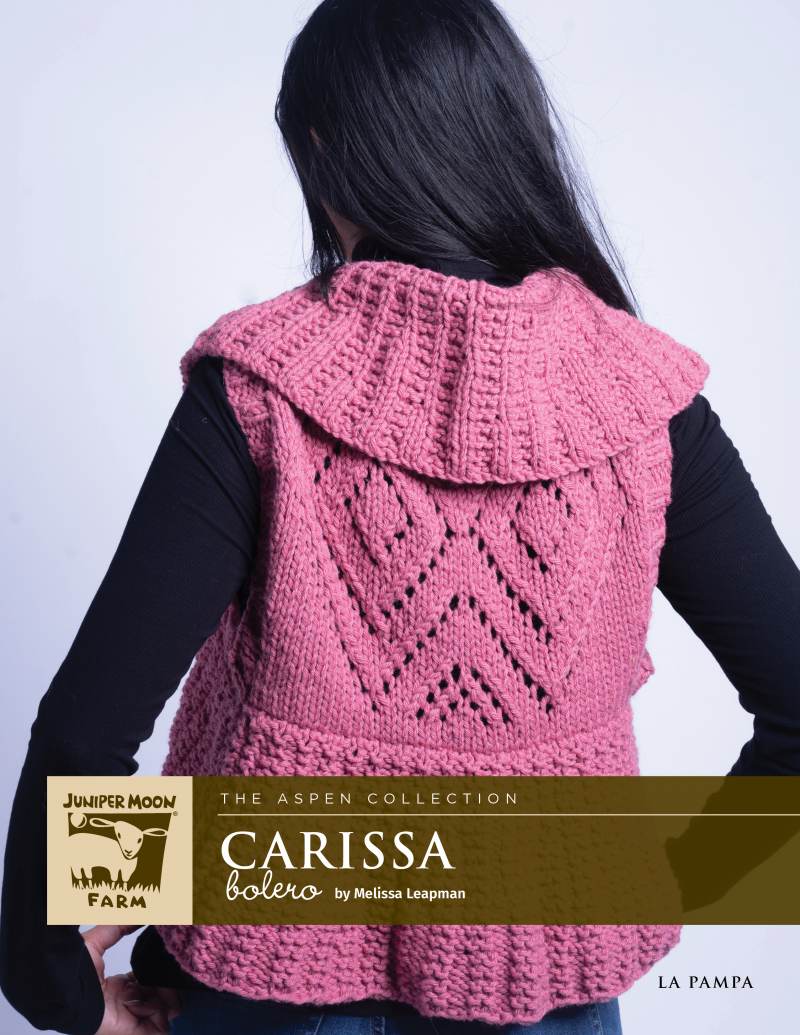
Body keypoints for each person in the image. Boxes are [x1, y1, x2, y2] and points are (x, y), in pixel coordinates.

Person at [2, 1, 800, 1034]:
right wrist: (642, 891)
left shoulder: (258, 386)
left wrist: (57, 983)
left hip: (265, 986)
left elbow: (93, 725)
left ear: (323, 148)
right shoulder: (645, 400)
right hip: (544, 996)